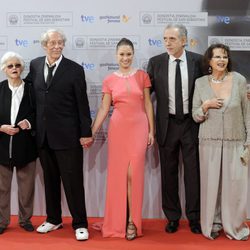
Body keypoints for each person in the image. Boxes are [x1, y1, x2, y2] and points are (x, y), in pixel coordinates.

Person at [25, 29, 93, 241]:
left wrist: (85, 133)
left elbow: (83, 105)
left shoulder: (74, 70)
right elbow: (28, 95)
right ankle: (53, 219)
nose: (56, 46)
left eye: (60, 42)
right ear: (44, 45)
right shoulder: (35, 65)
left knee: (73, 182)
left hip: (68, 137)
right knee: (50, 180)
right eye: (52, 43)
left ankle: (80, 223)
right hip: (43, 137)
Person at [91, 38, 154, 240]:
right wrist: (92, 132)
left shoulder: (142, 76)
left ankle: (132, 222)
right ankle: (118, 222)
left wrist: (152, 131)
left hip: (139, 127)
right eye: (122, 54)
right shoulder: (109, 80)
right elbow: (103, 108)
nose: (125, 58)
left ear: (133, 55)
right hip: (118, 129)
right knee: (119, 177)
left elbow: (148, 105)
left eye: (128, 54)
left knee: (133, 175)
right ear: (116, 56)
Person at [147, 24, 203, 234]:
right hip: (167, 124)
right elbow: (145, 94)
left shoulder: (198, 61)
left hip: (192, 124)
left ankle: (195, 218)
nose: (167, 43)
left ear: (184, 40)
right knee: (168, 174)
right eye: (165, 39)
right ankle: (172, 217)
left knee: (193, 173)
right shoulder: (156, 63)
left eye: (172, 39)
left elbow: (212, 85)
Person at [192, 43, 250, 240]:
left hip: (235, 141)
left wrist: (248, 142)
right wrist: (206, 106)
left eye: (224, 56)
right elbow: (195, 115)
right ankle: (213, 223)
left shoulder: (240, 81)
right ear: (209, 61)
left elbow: (247, 113)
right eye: (217, 57)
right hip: (209, 141)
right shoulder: (200, 83)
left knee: (235, 186)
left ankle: (234, 225)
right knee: (211, 186)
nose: (221, 60)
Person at [0, 52, 37, 234]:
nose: (14, 68)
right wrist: (1, 127)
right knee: (1, 189)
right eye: (10, 66)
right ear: (4, 70)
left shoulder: (31, 89)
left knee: (27, 188)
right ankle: (1, 221)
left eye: (17, 65)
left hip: (26, 146)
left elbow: (40, 112)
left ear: (22, 68)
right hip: (2, 146)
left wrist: (28, 123)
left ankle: (25, 220)